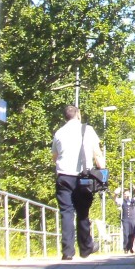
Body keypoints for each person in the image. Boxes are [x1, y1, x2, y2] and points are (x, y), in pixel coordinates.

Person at [51, 104, 105, 260]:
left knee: (66, 213)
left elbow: (54, 156)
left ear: (65, 117)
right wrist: (103, 173)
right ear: (78, 114)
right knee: (83, 212)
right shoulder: (88, 130)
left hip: (63, 177)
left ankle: (67, 251)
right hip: (83, 178)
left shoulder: (59, 133)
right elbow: (97, 155)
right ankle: (86, 247)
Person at [116, 186, 135, 253]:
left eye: (127, 193)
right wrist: (116, 193)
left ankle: (130, 247)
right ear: (123, 195)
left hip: (132, 219)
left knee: (132, 234)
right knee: (126, 234)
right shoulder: (122, 201)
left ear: (129, 194)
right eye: (125, 194)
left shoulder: (132, 200)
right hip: (125, 219)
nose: (126, 195)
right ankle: (125, 248)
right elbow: (115, 199)